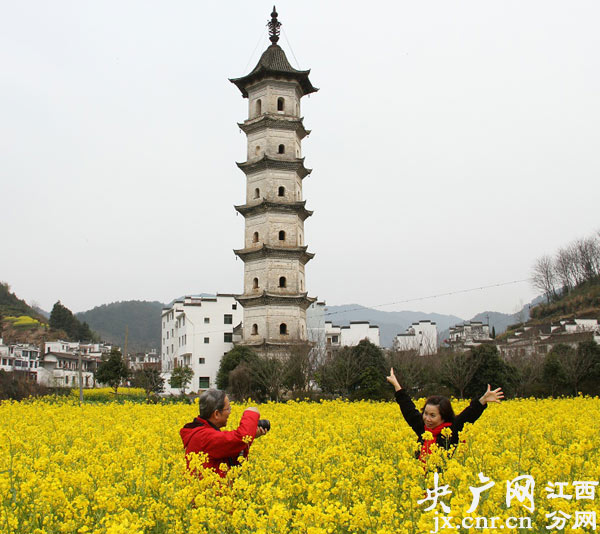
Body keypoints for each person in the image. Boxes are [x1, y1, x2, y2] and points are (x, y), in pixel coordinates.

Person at [386, 368, 503, 461]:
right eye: (425, 413)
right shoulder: (424, 430)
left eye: (433, 415)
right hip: (420, 484)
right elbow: (409, 410)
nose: (427, 418)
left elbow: (468, 416)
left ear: (443, 416)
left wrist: (482, 400)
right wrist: (396, 385)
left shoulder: (451, 432)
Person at [180, 388, 266, 478]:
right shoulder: (204, 437)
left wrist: (250, 436)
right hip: (210, 491)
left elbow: (233, 455)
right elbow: (241, 437)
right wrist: (251, 413)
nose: (230, 412)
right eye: (228, 408)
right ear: (216, 414)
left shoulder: (203, 432)